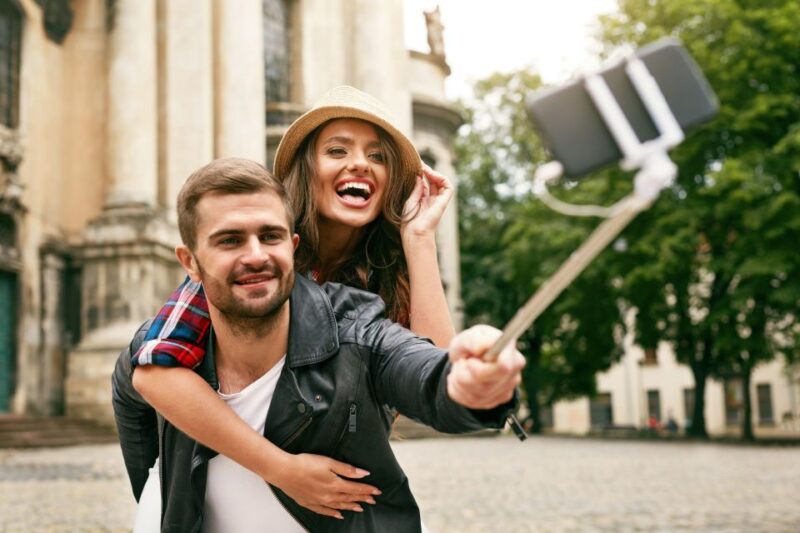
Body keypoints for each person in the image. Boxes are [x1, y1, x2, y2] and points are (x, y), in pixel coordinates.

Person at [112, 158, 524, 532]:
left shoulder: (355, 328)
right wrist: (160, 502)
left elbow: (424, 372)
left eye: (270, 236)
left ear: (293, 247)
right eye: (230, 241)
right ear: (191, 262)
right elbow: (137, 399)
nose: (255, 255)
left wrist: (470, 382)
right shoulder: (165, 343)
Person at [126, 86, 462, 520]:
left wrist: (419, 237)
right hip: (225, 458)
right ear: (307, 169)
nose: (360, 163)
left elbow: (439, 381)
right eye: (337, 150)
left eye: (378, 156)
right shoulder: (261, 250)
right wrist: (281, 470)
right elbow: (155, 371)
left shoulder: (388, 271)